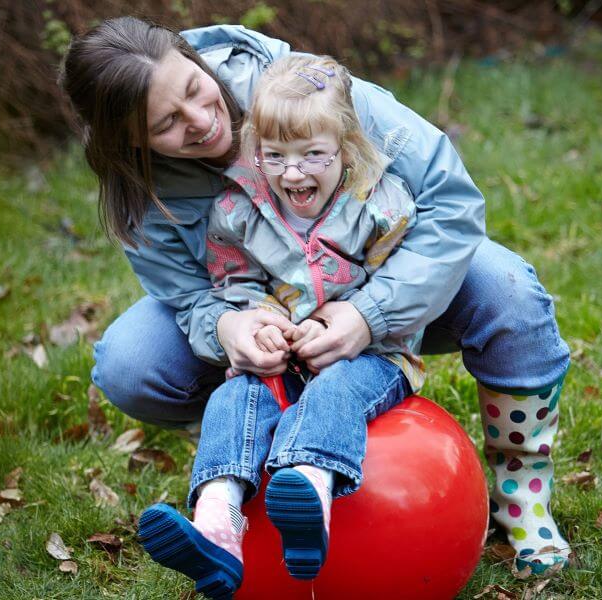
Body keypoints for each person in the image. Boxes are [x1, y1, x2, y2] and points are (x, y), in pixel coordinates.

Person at [60, 16, 571, 577]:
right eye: (167, 124)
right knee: (131, 363)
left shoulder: (304, 91)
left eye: (193, 90)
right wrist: (229, 329)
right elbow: (186, 297)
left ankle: (521, 496)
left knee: (506, 290)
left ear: (194, 58)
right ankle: (241, 473)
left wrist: (368, 313)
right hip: (268, 314)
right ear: (130, 141)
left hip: (378, 283)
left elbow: (449, 205)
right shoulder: (140, 188)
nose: (202, 121)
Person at [138, 54, 425, 595]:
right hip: (284, 360)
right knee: (236, 396)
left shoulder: (383, 207)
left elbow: (403, 287)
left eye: (312, 155)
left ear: (345, 145)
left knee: (335, 392)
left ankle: (310, 490)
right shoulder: (238, 210)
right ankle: (218, 524)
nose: (293, 172)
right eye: (275, 157)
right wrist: (256, 320)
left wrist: (358, 320)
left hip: (371, 358)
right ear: (256, 154)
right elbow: (235, 283)